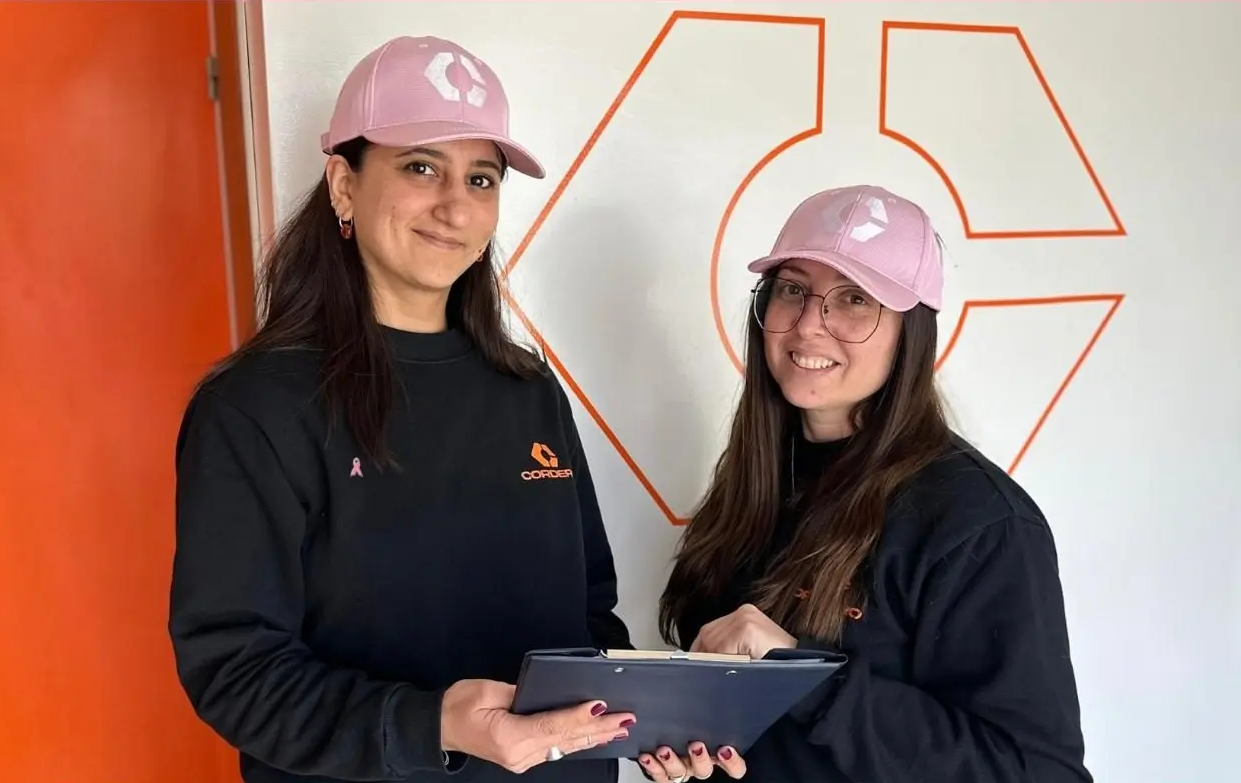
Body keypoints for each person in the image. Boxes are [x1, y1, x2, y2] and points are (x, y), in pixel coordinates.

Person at [167, 35, 637, 783]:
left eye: (481, 179)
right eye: (421, 167)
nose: (455, 206)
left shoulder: (529, 392)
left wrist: (641, 719)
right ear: (343, 184)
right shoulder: (256, 408)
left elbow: (589, 614)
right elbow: (236, 669)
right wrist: (431, 725)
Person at [640, 185, 1092, 782]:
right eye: (793, 289)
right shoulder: (757, 481)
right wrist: (685, 729)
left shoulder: (979, 523)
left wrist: (804, 676)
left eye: (854, 298)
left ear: (912, 332)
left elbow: (1038, 771)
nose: (809, 325)